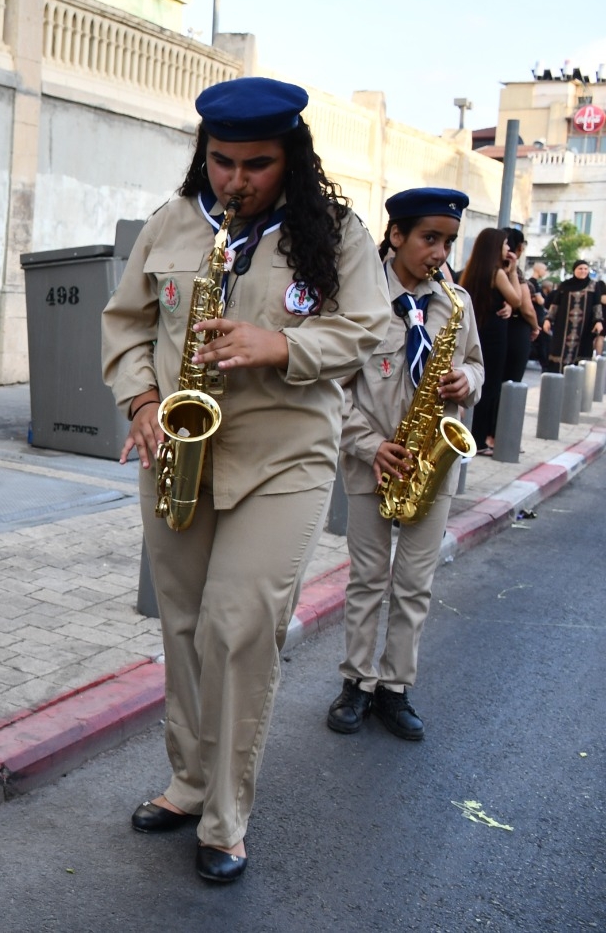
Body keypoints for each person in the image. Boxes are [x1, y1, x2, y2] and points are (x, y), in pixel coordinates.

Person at [102, 76, 391, 884]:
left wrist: (283, 347)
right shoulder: (171, 224)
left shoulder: (334, 233)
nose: (235, 180)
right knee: (185, 624)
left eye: (256, 164)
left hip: (286, 452)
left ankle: (226, 814)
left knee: (238, 626)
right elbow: (124, 324)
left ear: (290, 158)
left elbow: (370, 328)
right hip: (182, 450)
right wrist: (144, 399)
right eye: (222, 162)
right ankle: (188, 781)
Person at [327, 188, 484, 742]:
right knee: (368, 578)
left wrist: (469, 380)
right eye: (429, 239)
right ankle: (356, 682)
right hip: (373, 460)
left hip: (431, 463)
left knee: (415, 582)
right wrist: (369, 446)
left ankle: (395, 687)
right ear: (395, 236)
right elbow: (332, 389)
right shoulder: (359, 301)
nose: (440, 252)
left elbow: (474, 364)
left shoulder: (456, 302)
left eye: (448, 241)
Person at [456, 229, 525, 454]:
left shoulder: (473, 269)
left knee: (478, 385)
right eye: (505, 245)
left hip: (478, 331)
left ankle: (473, 433)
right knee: (490, 385)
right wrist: (513, 271)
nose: (508, 249)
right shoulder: (498, 273)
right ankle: (480, 439)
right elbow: (517, 299)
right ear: (496, 248)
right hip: (494, 335)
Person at [498, 227, 539, 386]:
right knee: (510, 385)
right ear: (519, 247)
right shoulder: (511, 272)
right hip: (515, 332)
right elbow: (526, 307)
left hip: (496, 332)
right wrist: (535, 327)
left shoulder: (482, 268)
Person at [543, 260, 601, 373]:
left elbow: (596, 306)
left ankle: (577, 385)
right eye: (580, 268)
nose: (583, 271)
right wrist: (548, 320)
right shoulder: (565, 285)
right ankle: (558, 380)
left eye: (585, 268)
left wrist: (598, 321)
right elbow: (555, 304)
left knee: (582, 355)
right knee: (559, 353)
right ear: (574, 270)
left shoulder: (594, 286)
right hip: (563, 326)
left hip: (584, 328)